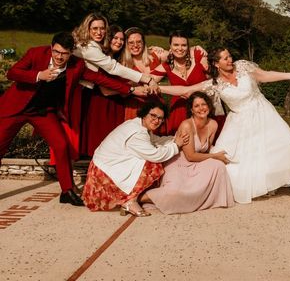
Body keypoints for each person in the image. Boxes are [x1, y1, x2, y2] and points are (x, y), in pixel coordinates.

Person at [0, 32, 135, 206]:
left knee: (61, 145)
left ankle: (67, 191)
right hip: (15, 109)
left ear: (71, 52)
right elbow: (12, 72)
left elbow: (99, 78)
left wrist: (130, 89)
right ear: (51, 48)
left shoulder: (76, 65)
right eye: (56, 52)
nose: (59, 56)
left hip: (42, 112)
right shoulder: (35, 53)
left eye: (64, 53)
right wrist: (38, 75)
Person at [160, 48, 290, 204]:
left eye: (229, 55)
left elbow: (264, 75)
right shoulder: (214, 84)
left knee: (287, 144)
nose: (229, 60)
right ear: (216, 64)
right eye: (224, 58)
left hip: (263, 112)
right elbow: (185, 90)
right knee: (234, 159)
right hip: (239, 122)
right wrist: (157, 88)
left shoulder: (243, 67)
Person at [83, 100, 190, 216]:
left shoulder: (138, 125)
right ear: (144, 114)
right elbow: (156, 155)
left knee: (151, 158)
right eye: (153, 116)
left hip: (104, 166)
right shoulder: (137, 133)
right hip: (103, 176)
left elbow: (154, 141)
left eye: (160, 118)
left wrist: (173, 139)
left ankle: (132, 197)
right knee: (153, 165)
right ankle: (129, 201)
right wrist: (176, 145)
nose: (156, 120)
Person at [144, 92, 234, 213]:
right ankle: (138, 199)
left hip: (196, 162)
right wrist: (216, 156)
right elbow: (190, 156)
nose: (201, 108)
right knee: (174, 192)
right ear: (191, 110)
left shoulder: (213, 124)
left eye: (204, 104)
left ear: (209, 106)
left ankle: (203, 199)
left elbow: (205, 150)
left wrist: (219, 156)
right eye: (196, 106)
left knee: (218, 166)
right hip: (178, 161)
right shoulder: (186, 125)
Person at [81, 25, 129, 156]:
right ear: (108, 38)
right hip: (101, 104)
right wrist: (130, 89)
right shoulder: (100, 58)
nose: (119, 42)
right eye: (115, 38)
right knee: (100, 141)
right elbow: (105, 90)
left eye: (122, 39)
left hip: (116, 105)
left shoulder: (118, 60)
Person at [151, 31, 211, 135]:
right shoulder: (166, 66)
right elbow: (147, 79)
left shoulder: (198, 55)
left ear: (188, 46)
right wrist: (149, 49)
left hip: (203, 108)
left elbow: (212, 78)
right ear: (170, 46)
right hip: (180, 109)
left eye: (184, 45)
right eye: (176, 45)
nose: (180, 48)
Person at [120, 27, 163, 121]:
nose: (135, 45)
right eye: (131, 43)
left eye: (139, 42)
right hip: (135, 108)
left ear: (143, 43)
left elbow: (177, 54)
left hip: (158, 107)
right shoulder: (122, 64)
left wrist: (196, 48)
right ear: (125, 45)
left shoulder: (155, 56)